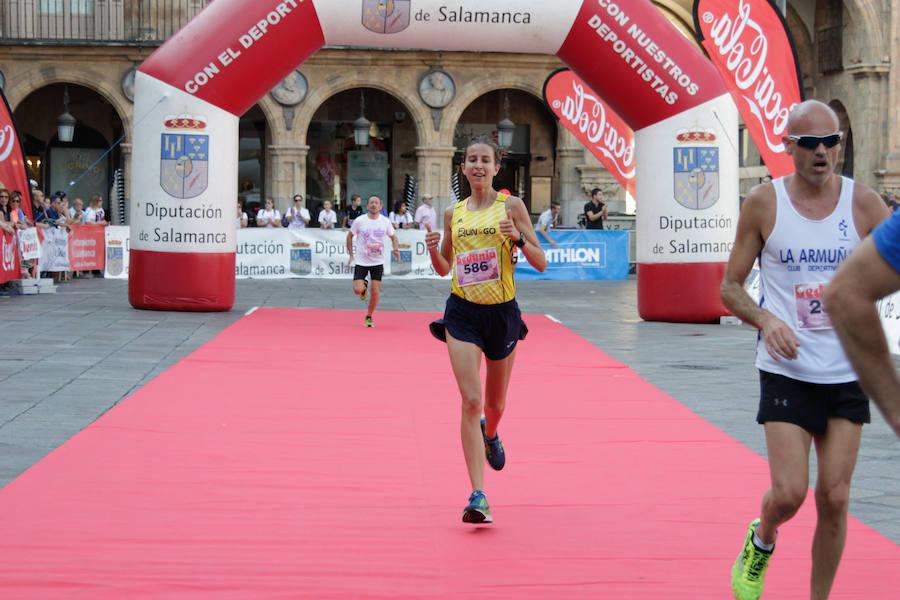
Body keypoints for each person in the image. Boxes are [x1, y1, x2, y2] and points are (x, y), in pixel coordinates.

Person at [719, 100, 889, 600]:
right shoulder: (764, 204)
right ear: (789, 146)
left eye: (830, 142)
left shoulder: (865, 205)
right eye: (810, 143)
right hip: (786, 368)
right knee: (791, 494)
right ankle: (762, 538)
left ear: (840, 146)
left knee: (835, 496)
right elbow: (729, 288)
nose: (822, 152)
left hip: (848, 368)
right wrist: (766, 318)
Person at [424, 135, 546, 524]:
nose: (478, 165)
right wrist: (431, 248)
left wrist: (520, 238)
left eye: (485, 160)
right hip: (462, 314)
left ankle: (490, 434)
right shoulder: (452, 214)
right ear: (462, 168)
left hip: (502, 314)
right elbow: (445, 267)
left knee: (494, 407)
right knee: (471, 400)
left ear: (496, 167)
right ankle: (478, 495)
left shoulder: (511, 206)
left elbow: (541, 261)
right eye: (471, 160)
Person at [825, 210, 900, 438]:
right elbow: (845, 295)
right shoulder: (766, 202)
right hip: (790, 365)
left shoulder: (864, 200)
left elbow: (844, 294)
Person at [346, 194, 400, 328]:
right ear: (367, 206)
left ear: (381, 206)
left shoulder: (385, 221)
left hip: (377, 261)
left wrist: (396, 250)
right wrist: (351, 255)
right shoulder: (359, 221)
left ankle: (369, 316)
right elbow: (349, 236)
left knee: (375, 291)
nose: (374, 205)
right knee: (357, 290)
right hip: (362, 261)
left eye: (376, 203)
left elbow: (394, 237)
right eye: (371, 202)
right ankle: (363, 286)